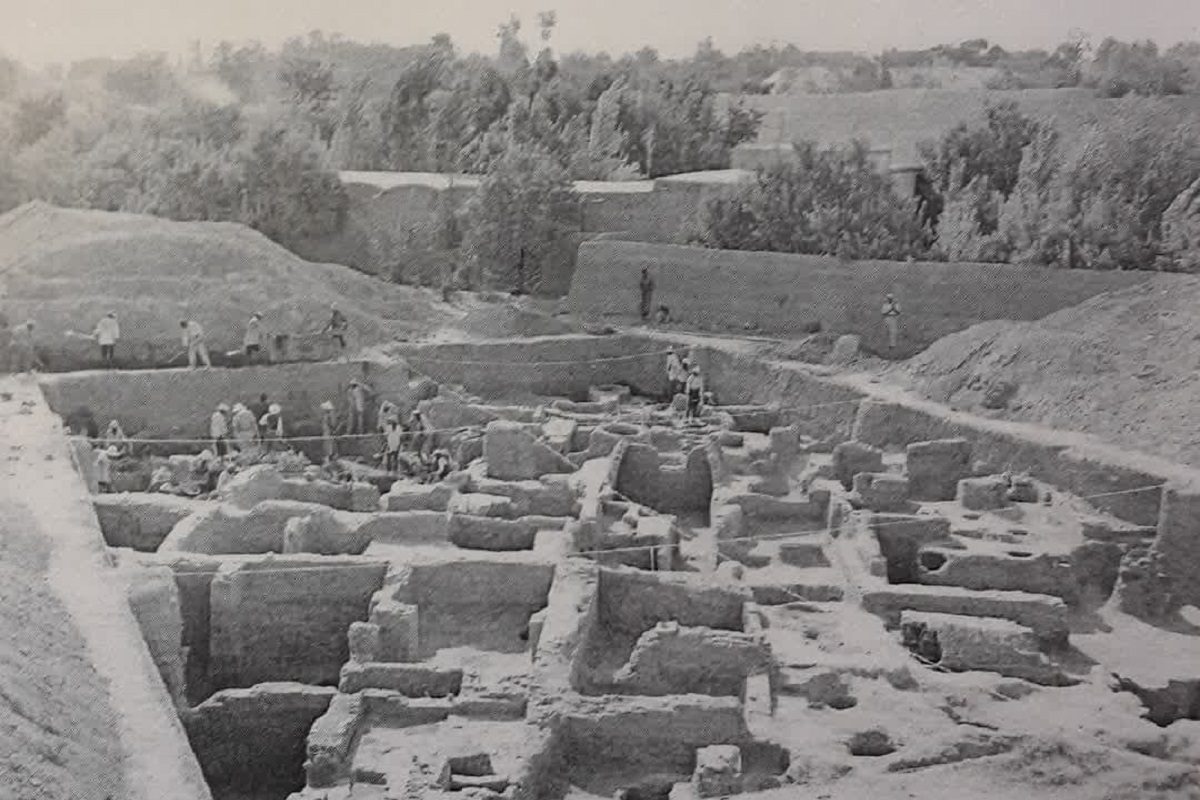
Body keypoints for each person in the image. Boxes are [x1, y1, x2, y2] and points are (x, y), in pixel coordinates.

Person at [320, 400, 337, 464]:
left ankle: (330, 458)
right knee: (327, 445)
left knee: (329, 445)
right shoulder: (326, 416)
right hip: (327, 432)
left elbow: (332, 424)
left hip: (328, 433)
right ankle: (328, 458)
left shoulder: (328, 416)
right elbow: (332, 424)